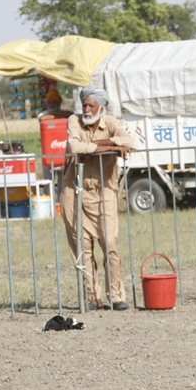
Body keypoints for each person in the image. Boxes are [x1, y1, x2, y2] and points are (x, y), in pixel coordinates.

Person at [61, 86, 134, 311]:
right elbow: (74, 146)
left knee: (110, 243)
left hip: (104, 192)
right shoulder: (74, 121)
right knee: (83, 247)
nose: (86, 109)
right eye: (84, 104)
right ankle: (93, 297)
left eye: (91, 105)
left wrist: (95, 148)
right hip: (75, 192)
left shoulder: (110, 122)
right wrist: (110, 146)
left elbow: (128, 141)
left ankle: (117, 296)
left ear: (102, 108)